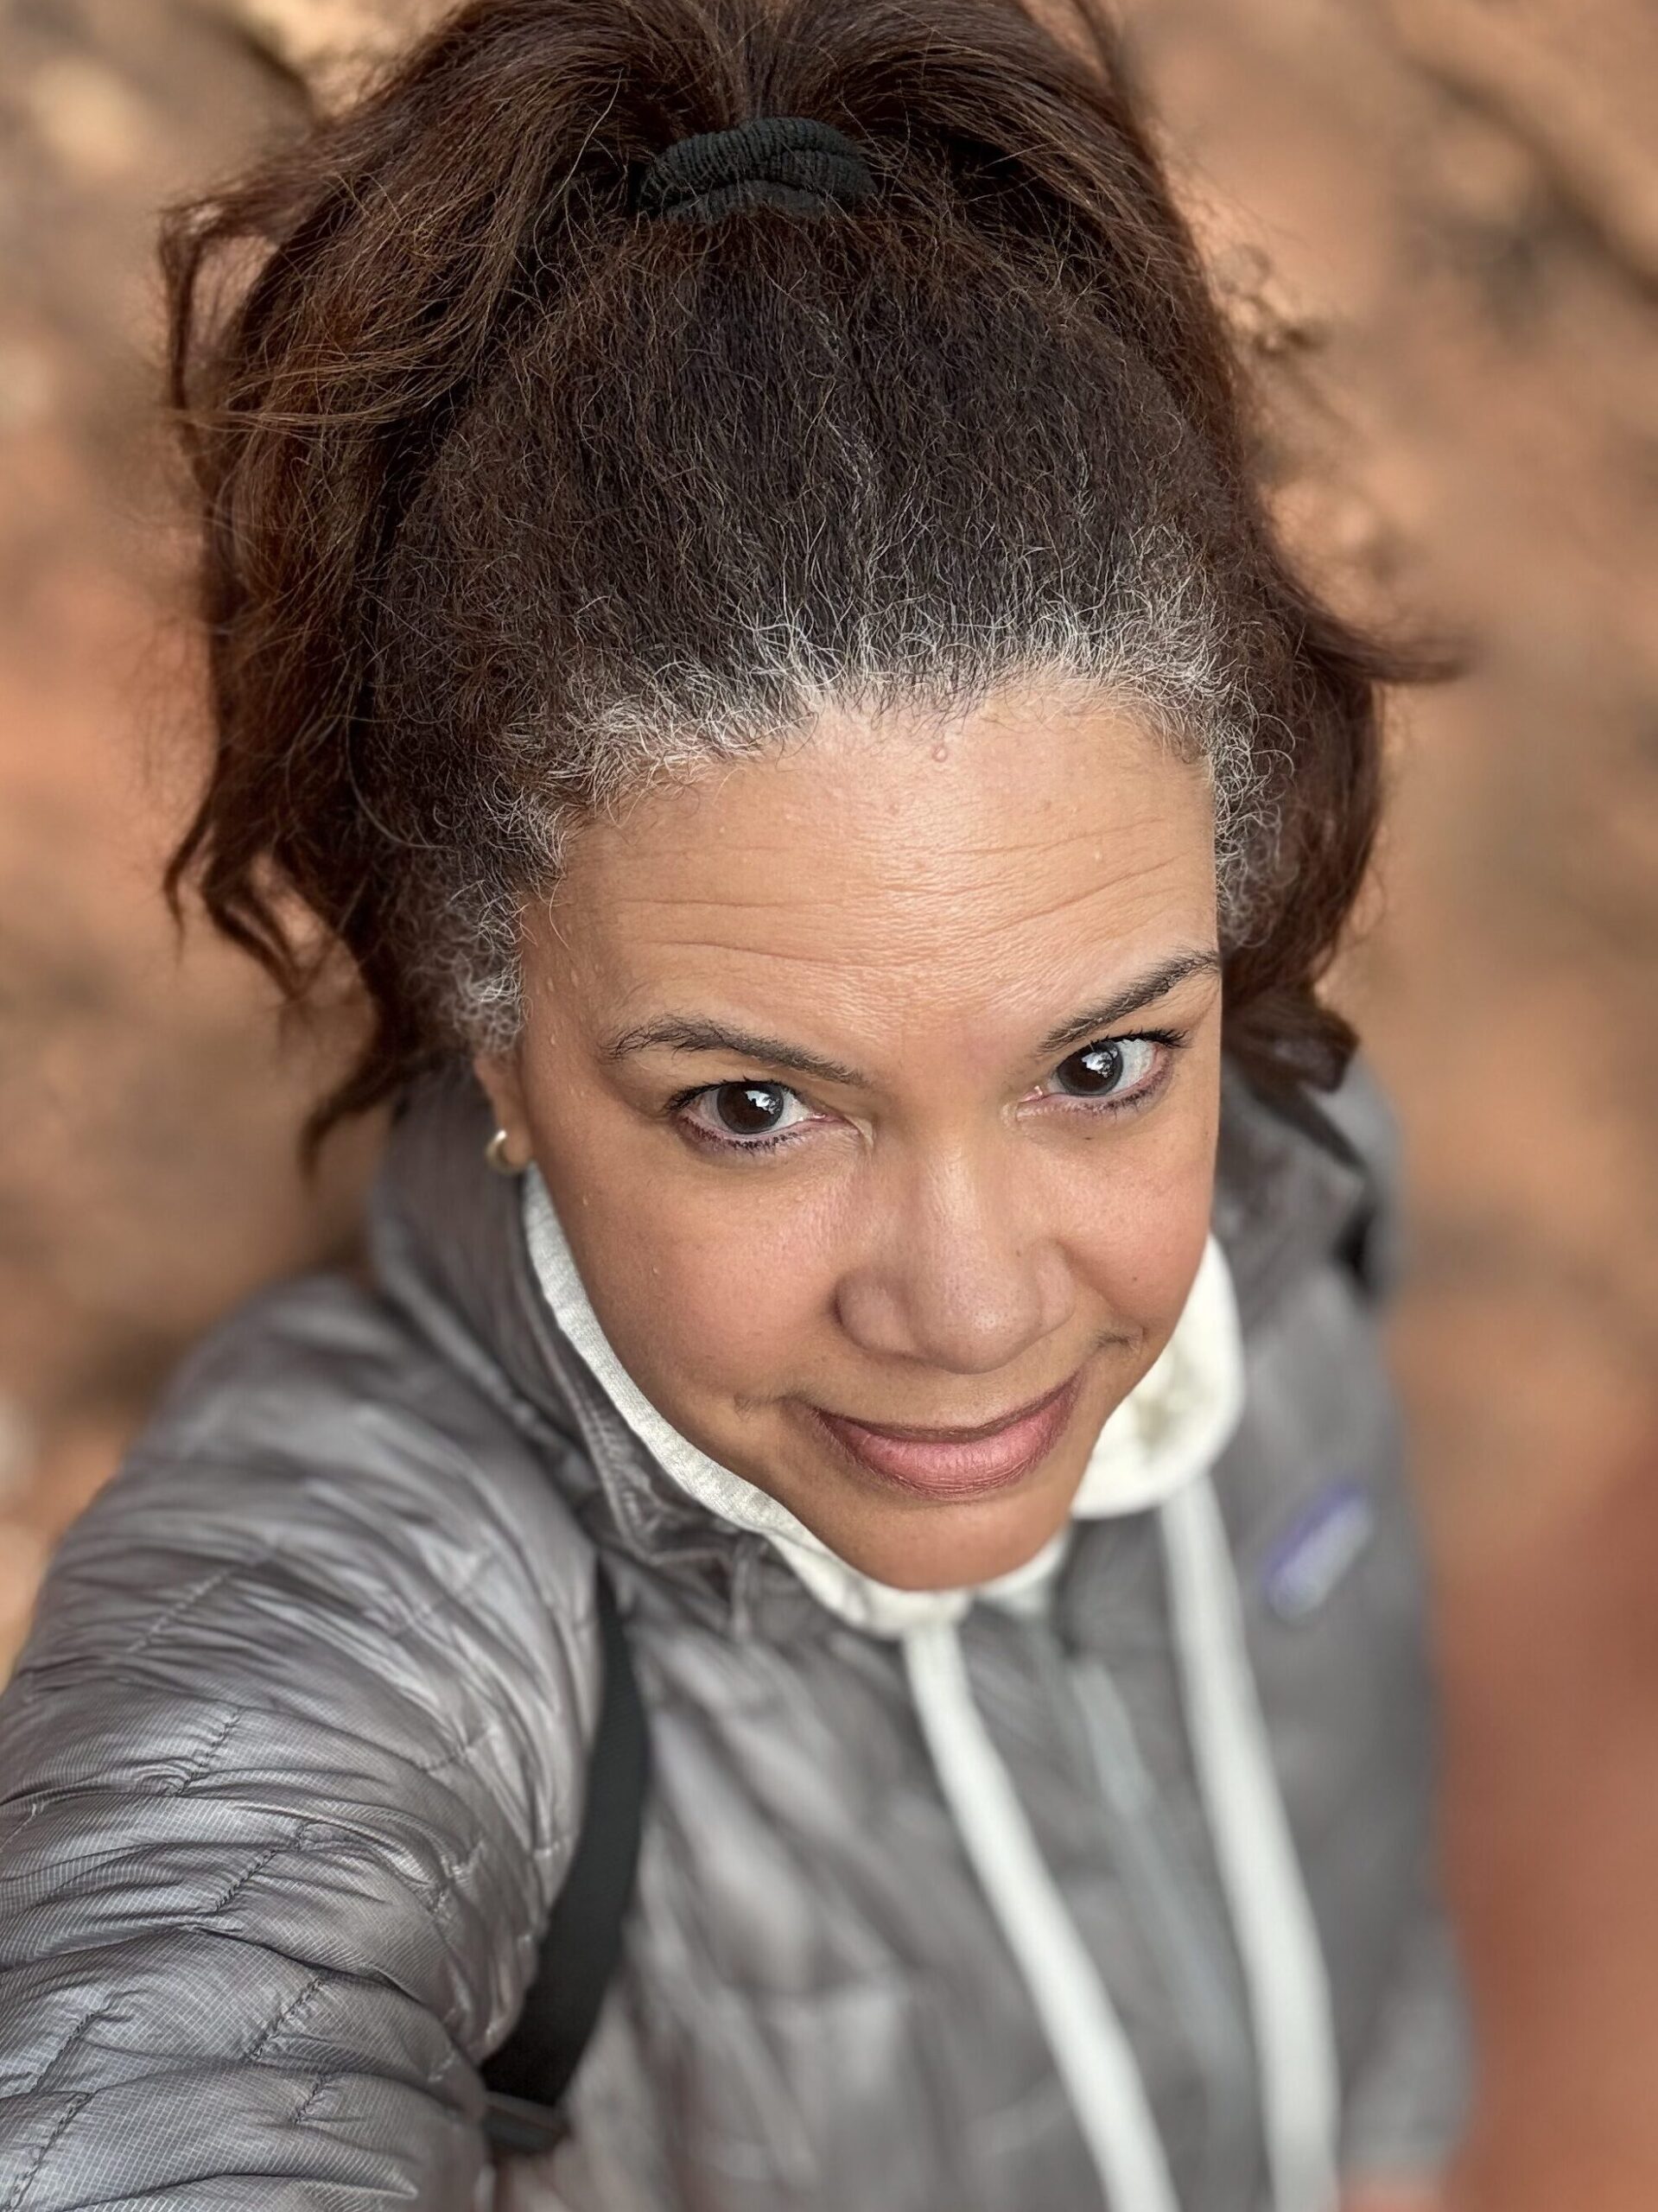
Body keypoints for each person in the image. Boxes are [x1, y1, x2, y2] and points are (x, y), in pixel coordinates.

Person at [0, 1, 1469, 2206]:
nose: (976, 1307)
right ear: (488, 1026)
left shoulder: (1303, 1190)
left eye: (1097, 1064)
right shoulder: (360, 1607)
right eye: (757, 1106)